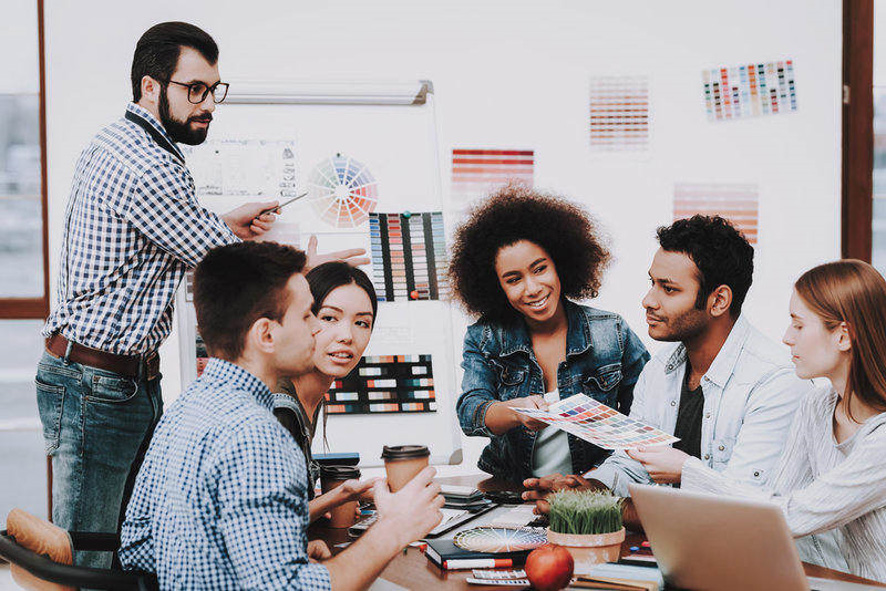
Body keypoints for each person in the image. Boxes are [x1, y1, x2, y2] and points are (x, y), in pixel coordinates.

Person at [36, 22, 365, 568]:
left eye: (214, 89)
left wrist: (221, 222)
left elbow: (168, 230)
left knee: (128, 548)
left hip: (113, 377)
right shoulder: (147, 164)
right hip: (98, 383)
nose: (208, 103)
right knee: (85, 563)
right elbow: (221, 264)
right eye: (194, 90)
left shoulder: (123, 140)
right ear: (149, 87)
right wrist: (307, 269)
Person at [120, 241, 444, 590]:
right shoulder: (258, 435)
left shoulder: (186, 409)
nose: (317, 330)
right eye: (308, 316)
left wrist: (269, 552)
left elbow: (137, 550)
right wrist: (393, 529)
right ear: (267, 334)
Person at [523, 216, 809, 511]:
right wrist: (585, 489)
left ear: (719, 300)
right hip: (681, 549)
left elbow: (741, 509)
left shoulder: (777, 382)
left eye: (668, 289)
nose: (648, 300)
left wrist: (600, 508)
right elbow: (633, 463)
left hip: (760, 554)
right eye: (652, 283)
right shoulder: (658, 369)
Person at [636, 260, 886, 582]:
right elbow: (772, 502)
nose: (786, 337)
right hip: (825, 580)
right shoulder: (817, 405)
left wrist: (688, 470)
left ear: (843, 336)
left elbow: (791, 515)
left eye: (798, 325)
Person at [450, 185, 650, 484]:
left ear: (560, 264)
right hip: (514, 492)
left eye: (539, 269)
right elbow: (470, 413)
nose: (532, 288)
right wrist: (514, 411)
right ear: (497, 287)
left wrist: (599, 479)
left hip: (595, 492)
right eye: (514, 279)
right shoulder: (485, 338)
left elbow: (649, 419)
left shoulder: (612, 332)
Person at [273, 262, 379, 522]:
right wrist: (336, 497)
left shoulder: (310, 390)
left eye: (362, 323)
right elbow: (268, 523)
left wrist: (330, 498)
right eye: (329, 318)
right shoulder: (279, 406)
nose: (347, 336)